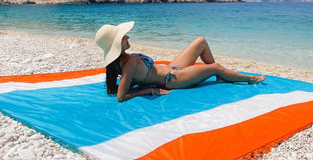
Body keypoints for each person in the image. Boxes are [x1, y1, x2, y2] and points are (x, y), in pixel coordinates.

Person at [95, 22, 265, 102]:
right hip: (172, 79)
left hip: (172, 68)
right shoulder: (128, 64)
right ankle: (250, 79)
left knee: (201, 41)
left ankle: (220, 77)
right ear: (117, 44)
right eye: (123, 36)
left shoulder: (125, 60)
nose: (128, 36)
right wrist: (152, 89)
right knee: (216, 67)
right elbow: (121, 97)